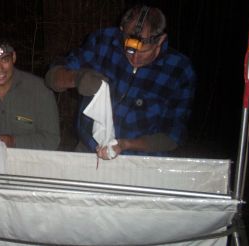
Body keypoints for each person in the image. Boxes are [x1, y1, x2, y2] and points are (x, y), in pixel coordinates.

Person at [45, 5, 196, 159]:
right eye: (129, 49)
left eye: (144, 52)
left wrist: (125, 144)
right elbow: (52, 78)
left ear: (161, 40)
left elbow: (173, 136)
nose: (134, 58)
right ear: (122, 30)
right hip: (88, 150)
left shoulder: (179, 70)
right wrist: (76, 79)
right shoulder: (103, 41)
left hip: (141, 160)